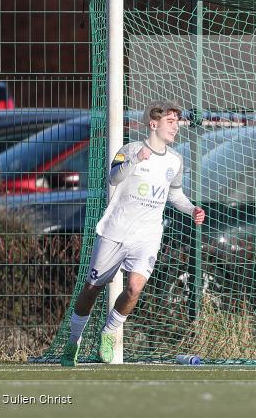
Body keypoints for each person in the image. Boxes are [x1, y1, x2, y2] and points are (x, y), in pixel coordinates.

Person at [61, 101, 205, 367]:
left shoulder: (175, 160)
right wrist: (135, 161)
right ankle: (74, 341)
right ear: (153, 124)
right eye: (171, 122)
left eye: (177, 122)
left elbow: (174, 193)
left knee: (134, 288)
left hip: (147, 236)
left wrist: (192, 208)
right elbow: (114, 178)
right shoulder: (130, 150)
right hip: (116, 232)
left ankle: (109, 332)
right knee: (92, 288)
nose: (176, 127)